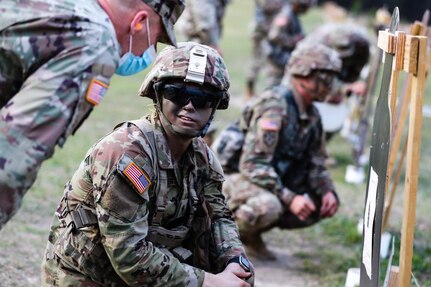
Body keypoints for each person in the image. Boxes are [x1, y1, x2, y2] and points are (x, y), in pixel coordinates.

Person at [41, 42, 254, 287]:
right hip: (91, 277)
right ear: (158, 95)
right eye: (177, 93)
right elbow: (128, 255)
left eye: (203, 99)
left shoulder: (202, 157)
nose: (189, 106)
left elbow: (219, 217)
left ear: (215, 107)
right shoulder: (125, 154)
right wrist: (208, 281)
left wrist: (234, 261)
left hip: (148, 269)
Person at [0, 0, 186, 230]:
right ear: (139, 22)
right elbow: (14, 155)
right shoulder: (94, 42)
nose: (149, 52)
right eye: (154, 40)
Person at [214, 43, 341, 260]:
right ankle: (218, 241)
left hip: (262, 180)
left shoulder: (312, 115)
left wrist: (327, 190)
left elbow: (316, 162)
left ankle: (249, 237)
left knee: (317, 202)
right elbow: (253, 164)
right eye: (326, 77)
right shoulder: (275, 106)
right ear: (305, 75)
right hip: (229, 179)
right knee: (268, 206)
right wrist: (290, 198)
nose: (331, 85)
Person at [298, 23, 371, 144]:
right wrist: (342, 88)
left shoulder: (361, 46)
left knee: (333, 114)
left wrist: (348, 88)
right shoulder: (316, 44)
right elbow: (311, 75)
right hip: (310, 72)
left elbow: (357, 71)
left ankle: (319, 146)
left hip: (340, 75)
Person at [259, 0, 314, 91]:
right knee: (274, 86)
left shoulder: (293, 15)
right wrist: (293, 41)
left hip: (284, 58)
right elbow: (274, 36)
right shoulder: (286, 15)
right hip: (278, 58)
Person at [244, 0, 287, 100]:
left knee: (270, 60)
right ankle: (249, 91)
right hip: (261, 30)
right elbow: (267, 5)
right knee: (257, 60)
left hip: (272, 30)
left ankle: (269, 92)